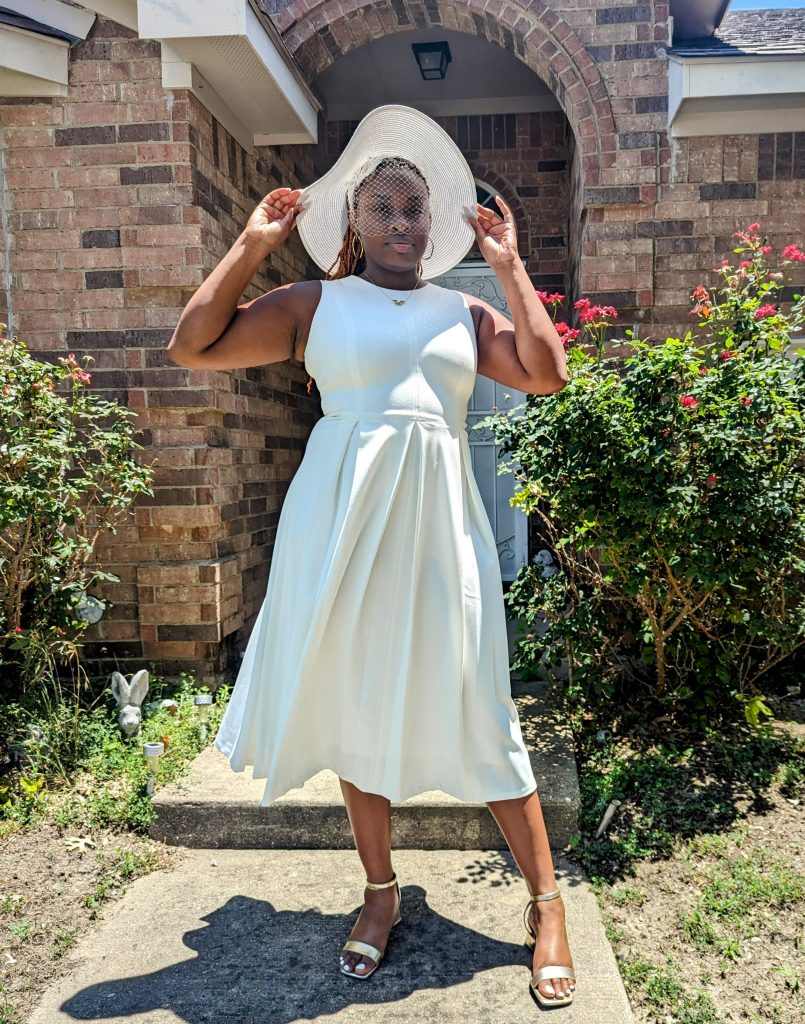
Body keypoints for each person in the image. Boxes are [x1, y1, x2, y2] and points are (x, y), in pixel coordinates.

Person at [167, 104, 575, 1007]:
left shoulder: (461, 311)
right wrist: (248, 244)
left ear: (432, 226)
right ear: (351, 220)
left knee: (478, 697)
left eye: (414, 209)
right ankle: (380, 894)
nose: (400, 222)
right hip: (339, 523)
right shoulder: (317, 304)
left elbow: (546, 373)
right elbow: (191, 345)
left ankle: (546, 905)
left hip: (439, 528)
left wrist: (507, 268)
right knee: (356, 700)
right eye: (383, 207)